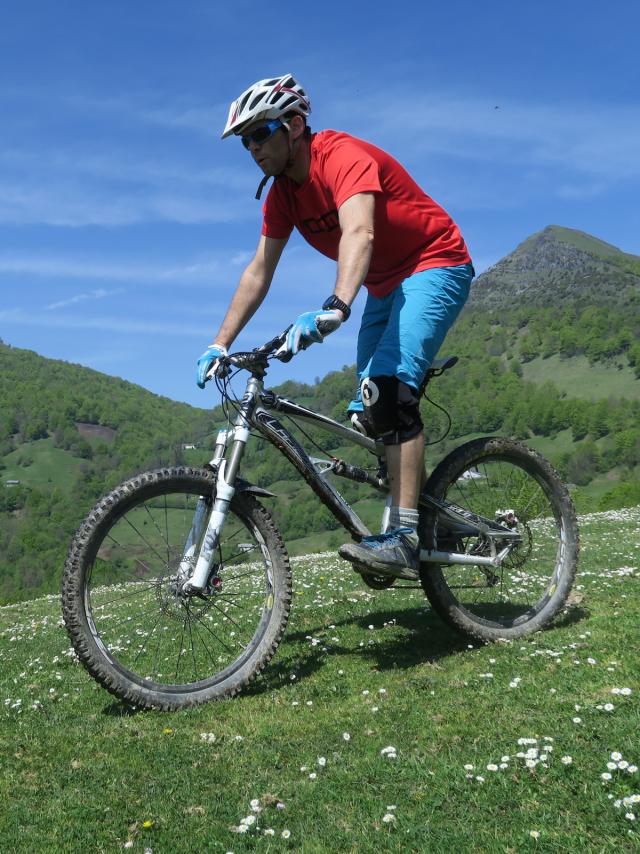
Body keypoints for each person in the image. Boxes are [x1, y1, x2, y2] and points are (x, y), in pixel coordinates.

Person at [196, 74, 473, 579]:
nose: (253, 147)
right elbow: (259, 270)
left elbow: (359, 230)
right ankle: (436, 520)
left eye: (262, 133)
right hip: (386, 285)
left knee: (389, 390)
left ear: (295, 125)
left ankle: (407, 537)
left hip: (435, 263)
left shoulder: (343, 156)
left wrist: (337, 305)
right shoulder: (281, 195)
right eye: (246, 140)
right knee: (371, 412)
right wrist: (220, 343)